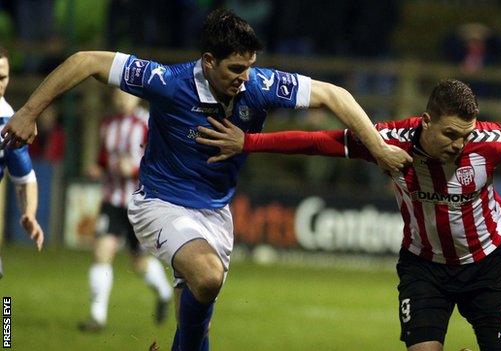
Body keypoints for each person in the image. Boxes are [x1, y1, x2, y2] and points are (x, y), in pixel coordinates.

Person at [1, 9, 412, 351]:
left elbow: (334, 95)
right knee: (208, 276)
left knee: (197, 326)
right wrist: (28, 112)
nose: (244, 78)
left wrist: (376, 147)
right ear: (208, 62)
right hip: (159, 204)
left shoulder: (261, 85)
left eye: (249, 67)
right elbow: (85, 60)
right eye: (235, 68)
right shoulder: (168, 81)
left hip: (215, 214)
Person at [196, 79, 501, 351]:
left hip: (488, 265)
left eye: (464, 135)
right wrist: (249, 141)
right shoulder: (387, 141)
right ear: (427, 121)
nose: (457, 144)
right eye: (449, 133)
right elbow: (319, 141)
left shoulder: (489, 143)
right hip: (423, 267)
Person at [78, 89, 173, 332]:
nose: (121, 99)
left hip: (138, 203)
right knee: (102, 252)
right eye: (117, 95)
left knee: (139, 262)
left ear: (136, 97)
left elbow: (161, 163)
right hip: (112, 201)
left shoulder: (147, 124)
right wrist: (97, 169)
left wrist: (132, 170)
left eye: (126, 95)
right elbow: (102, 160)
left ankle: (163, 292)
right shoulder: (107, 125)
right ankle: (97, 317)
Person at [0, 45, 44, 278]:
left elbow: (25, 178)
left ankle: (6, 315)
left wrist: (30, 213)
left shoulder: (8, 124)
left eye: (2, 77)